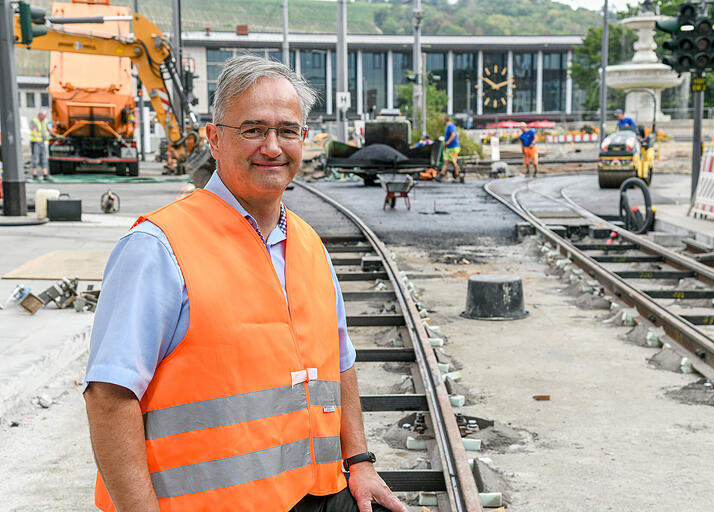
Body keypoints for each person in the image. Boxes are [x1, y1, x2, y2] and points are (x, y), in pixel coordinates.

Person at [83, 55, 406, 512]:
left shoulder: (309, 244)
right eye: (253, 130)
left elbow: (341, 363)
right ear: (214, 139)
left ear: (304, 140)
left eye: (287, 130)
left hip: (318, 494)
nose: (272, 147)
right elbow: (109, 396)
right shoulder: (157, 248)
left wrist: (360, 462)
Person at [439, 115, 462, 182]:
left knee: (453, 161)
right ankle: (441, 175)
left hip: (453, 147)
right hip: (449, 148)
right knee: (446, 162)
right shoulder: (448, 126)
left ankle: (457, 176)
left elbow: (453, 134)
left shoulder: (450, 126)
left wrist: (448, 142)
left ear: (445, 120)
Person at [29, 110, 50, 181]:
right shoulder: (34, 121)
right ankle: (34, 174)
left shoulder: (43, 122)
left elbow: (48, 130)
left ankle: (45, 174)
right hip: (36, 142)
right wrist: (37, 138)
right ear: (40, 115)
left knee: (43, 158)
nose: (44, 117)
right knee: (35, 158)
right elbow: (34, 131)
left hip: (42, 142)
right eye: (43, 116)